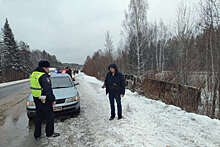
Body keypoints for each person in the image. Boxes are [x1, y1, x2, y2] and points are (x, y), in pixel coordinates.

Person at [30, 60, 60, 140]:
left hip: (36, 98)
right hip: (44, 99)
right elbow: (48, 90)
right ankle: (49, 133)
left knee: (38, 117)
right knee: (49, 117)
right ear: (44, 67)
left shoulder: (33, 74)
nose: (48, 69)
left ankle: (37, 134)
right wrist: (52, 99)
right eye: (47, 67)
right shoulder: (43, 76)